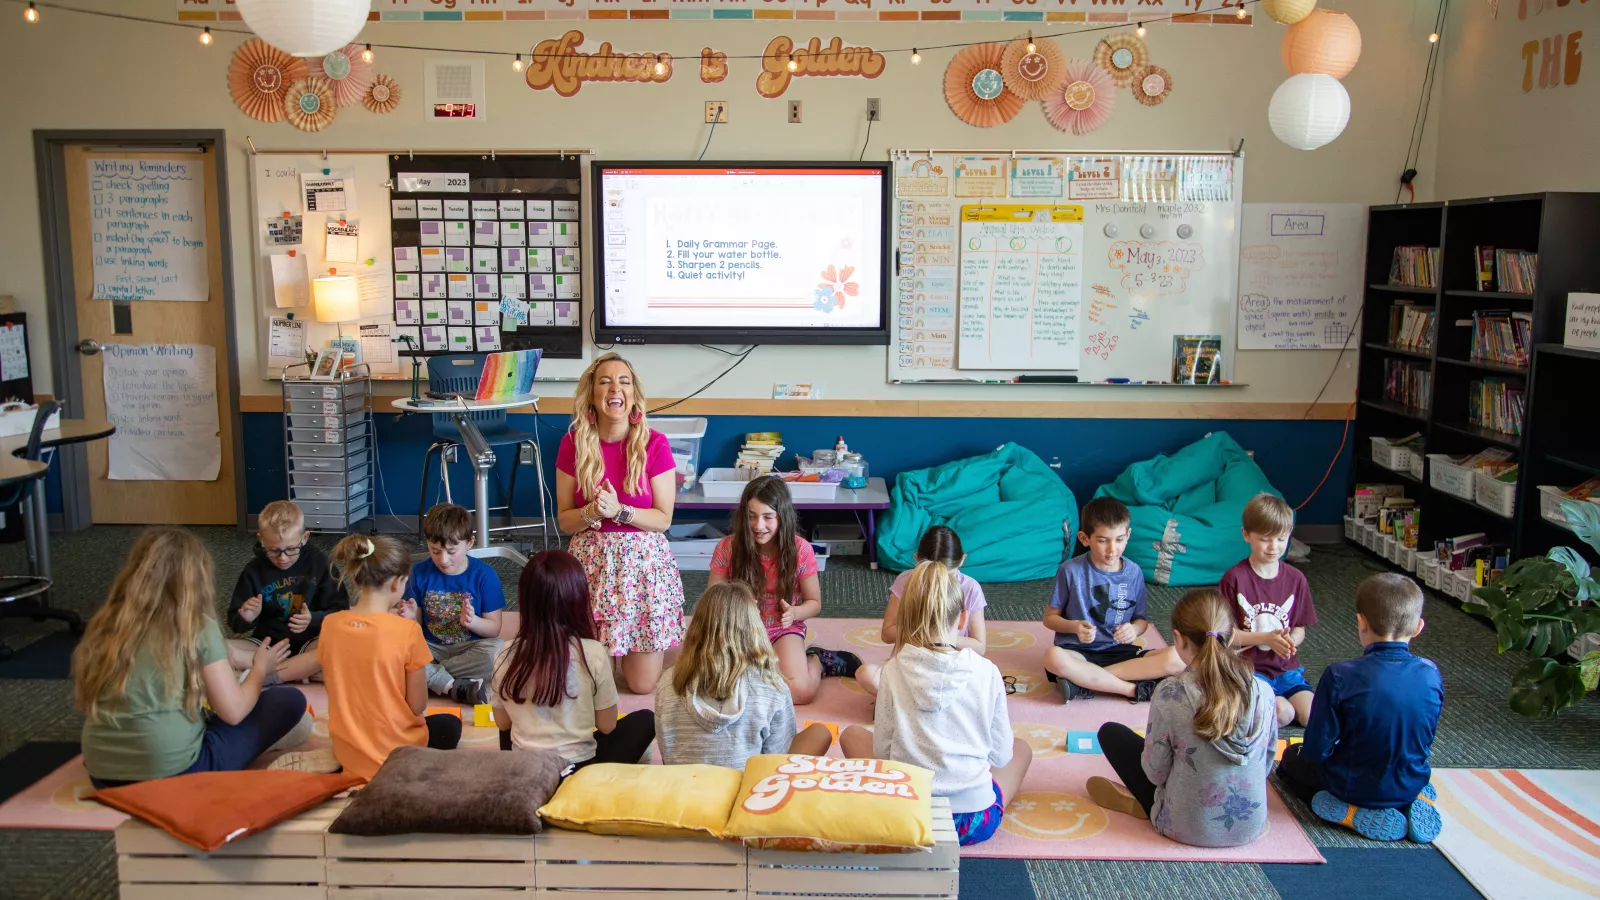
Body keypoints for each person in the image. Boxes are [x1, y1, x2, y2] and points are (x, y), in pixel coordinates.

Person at [74, 528, 308, 787]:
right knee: (288, 701)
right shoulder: (195, 626)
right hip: (177, 775)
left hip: (102, 776)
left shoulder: (108, 623)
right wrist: (259, 670)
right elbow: (234, 712)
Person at [839, 562, 1032, 847]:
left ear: (904, 619)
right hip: (974, 822)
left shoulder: (892, 670)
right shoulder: (987, 670)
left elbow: (883, 750)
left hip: (905, 815)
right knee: (1022, 749)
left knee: (852, 734)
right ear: (963, 617)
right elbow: (1001, 756)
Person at [1087, 588, 1279, 848]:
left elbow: (1155, 773)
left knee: (1111, 733)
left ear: (1178, 639)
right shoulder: (1264, 691)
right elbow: (1266, 762)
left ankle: (1146, 805)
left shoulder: (1171, 692)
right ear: (1231, 635)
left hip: (1182, 826)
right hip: (1251, 826)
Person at [275, 535, 462, 779]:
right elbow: (418, 705)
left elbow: (312, 663)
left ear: (355, 577)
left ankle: (342, 758)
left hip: (349, 748)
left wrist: (267, 674)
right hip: (396, 756)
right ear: (397, 583)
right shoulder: (408, 631)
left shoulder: (331, 625)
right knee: (449, 724)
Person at [1278, 573, 1444, 843]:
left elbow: (1316, 750)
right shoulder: (1431, 673)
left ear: (1361, 621)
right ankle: (1413, 799)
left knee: (1289, 761)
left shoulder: (1340, 674)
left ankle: (1351, 812)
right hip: (1410, 781)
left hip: (1351, 786)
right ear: (1418, 627)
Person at [555, 352, 685, 695]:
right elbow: (566, 522)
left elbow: (663, 519)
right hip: (590, 569)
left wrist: (619, 511)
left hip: (641, 571)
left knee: (642, 686)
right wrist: (592, 513)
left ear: (633, 394)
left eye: (624, 381)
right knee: (592, 685)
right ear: (592, 394)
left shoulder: (654, 443)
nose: (615, 388)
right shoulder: (572, 444)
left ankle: (667, 647)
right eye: (605, 380)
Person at [490, 550, 656, 770]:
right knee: (646, 719)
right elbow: (607, 726)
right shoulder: (592, 652)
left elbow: (502, 724)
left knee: (509, 728)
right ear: (578, 599)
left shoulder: (505, 652)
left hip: (525, 769)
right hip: (579, 771)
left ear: (525, 599)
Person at [709, 476, 860, 705]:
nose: (759, 526)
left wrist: (795, 613)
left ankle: (817, 660)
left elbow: (814, 603)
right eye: (751, 516)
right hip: (738, 627)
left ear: (783, 516)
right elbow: (713, 599)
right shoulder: (728, 547)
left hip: (782, 627)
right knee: (717, 689)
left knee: (800, 692)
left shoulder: (801, 549)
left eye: (768, 517)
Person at [655, 582, 835, 768]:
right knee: (819, 732)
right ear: (754, 629)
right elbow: (777, 758)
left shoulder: (669, 680)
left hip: (685, 787)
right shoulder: (771, 685)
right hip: (749, 790)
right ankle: (817, 660)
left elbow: (666, 752)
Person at [1042, 497, 1185, 702]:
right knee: (1052, 657)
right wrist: (1074, 627)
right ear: (1084, 539)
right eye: (1102, 540)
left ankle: (1084, 682)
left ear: (1128, 535)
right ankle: (1131, 689)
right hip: (1078, 653)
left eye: (1119, 540)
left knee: (1177, 658)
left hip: (1120, 653)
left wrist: (1133, 630)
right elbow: (1049, 619)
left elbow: (1141, 620)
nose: (1112, 549)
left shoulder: (1134, 572)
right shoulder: (1069, 571)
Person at [1223, 493, 1318, 726]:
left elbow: (1300, 629)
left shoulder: (1296, 579)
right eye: (1265, 539)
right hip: (1249, 669)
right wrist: (1266, 638)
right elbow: (1226, 635)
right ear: (1246, 534)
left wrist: (1289, 640)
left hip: (1286, 670)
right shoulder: (1234, 578)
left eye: (1281, 539)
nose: (1274, 547)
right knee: (1283, 713)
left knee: (1313, 716)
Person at [857, 525, 987, 696]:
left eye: (949, 576)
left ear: (962, 560)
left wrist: (942, 638)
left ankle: (902, 704)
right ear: (916, 560)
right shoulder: (906, 581)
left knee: (987, 680)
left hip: (951, 672)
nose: (939, 585)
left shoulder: (970, 588)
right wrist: (924, 632)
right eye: (931, 576)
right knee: (864, 673)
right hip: (909, 670)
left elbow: (979, 646)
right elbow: (887, 634)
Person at [224, 500, 343, 685]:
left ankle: (266, 671)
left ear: (305, 538)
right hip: (266, 644)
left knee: (339, 648)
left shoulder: (320, 564)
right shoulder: (253, 571)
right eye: (273, 550)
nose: (283, 558)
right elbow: (235, 624)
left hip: (310, 642)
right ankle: (297, 671)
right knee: (213, 649)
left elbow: (341, 612)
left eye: (291, 549)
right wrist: (247, 617)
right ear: (261, 540)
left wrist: (314, 618)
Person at [406, 502, 505, 704]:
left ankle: (429, 677)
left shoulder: (485, 575)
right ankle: (454, 686)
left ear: (469, 543)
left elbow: (494, 629)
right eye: (434, 551)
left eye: (451, 552)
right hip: (430, 647)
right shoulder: (418, 572)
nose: (443, 560)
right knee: (395, 648)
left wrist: (473, 622)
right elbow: (414, 632)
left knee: (499, 652)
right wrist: (409, 621)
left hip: (469, 648)